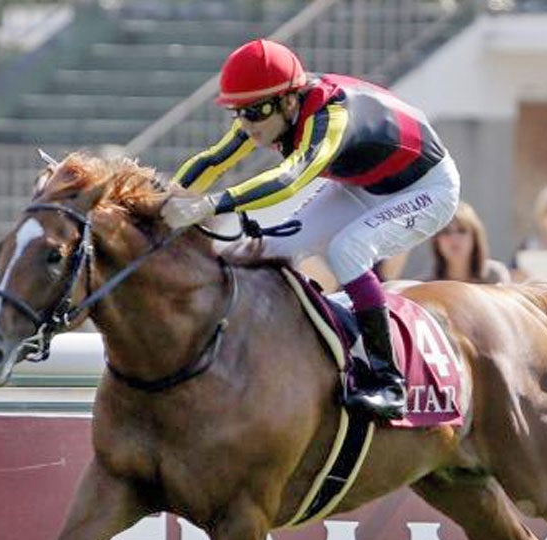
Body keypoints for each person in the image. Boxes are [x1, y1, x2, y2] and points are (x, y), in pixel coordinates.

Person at [160, 39, 460, 421]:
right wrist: (159, 202)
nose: (246, 124)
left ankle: (388, 380)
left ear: (288, 101)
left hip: (426, 189)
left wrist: (210, 204)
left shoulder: (330, 117)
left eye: (254, 112)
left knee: (346, 250)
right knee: (263, 249)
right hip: (360, 184)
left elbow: (290, 180)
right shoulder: (272, 109)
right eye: (238, 113)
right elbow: (214, 161)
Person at [431, 201, 510, 284]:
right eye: (446, 232)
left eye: (462, 231)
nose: (454, 238)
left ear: (475, 237)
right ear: (436, 240)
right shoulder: (427, 287)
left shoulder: (494, 277)